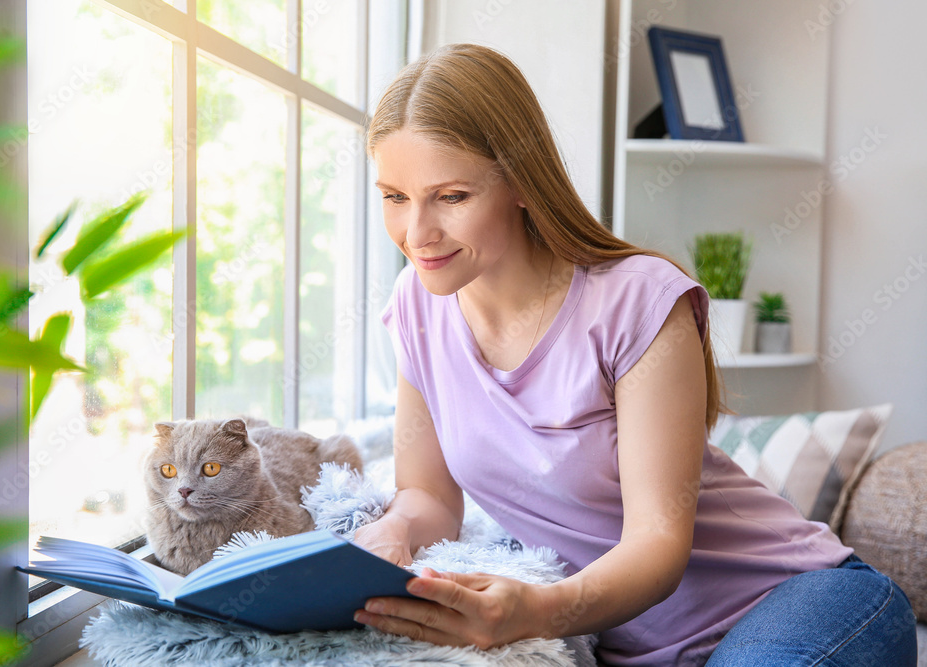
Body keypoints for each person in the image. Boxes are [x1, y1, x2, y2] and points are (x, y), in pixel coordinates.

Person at [351, 43, 916, 666]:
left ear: (519, 181)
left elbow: (657, 544)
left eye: (451, 196)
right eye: (394, 196)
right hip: (620, 639)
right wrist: (395, 530)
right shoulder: (415, 308)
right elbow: (429, 497)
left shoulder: (639, 300)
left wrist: (532, 611)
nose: (417, 232)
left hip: (795, 599)